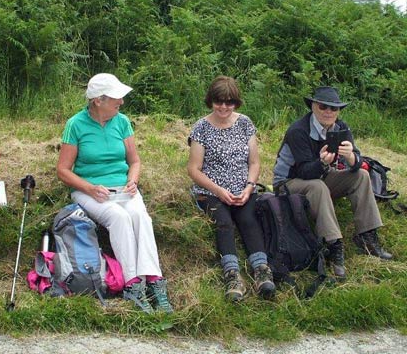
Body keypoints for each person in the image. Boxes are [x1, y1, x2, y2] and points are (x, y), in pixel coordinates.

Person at [56, 73, 173, 314]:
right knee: (119, 218)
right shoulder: (75, 124)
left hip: (123, 188)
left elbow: (135, 161)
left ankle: (154, 280)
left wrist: (133, 180)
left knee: (141, 217)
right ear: (98, 100)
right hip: (89, 191)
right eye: (116, 97)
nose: (121, 102)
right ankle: (133, 284)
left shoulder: (122, 122)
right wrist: (89, 188)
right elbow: (63, 170)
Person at [273, 86, 392, 281]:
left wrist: (352, 158)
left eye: (334, 108)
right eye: (323, 106)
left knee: (361, 175)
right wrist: (322, 163)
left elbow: (358, 161)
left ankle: (367, 236)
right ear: (313, 106)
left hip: (320, 177)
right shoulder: (298, 131)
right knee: (318, 186)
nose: (329, 112)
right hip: (288, 183)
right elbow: (303, 171)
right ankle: (333, 245)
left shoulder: (341, 128)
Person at [187, 76, 275, 302]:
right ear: (211, 101)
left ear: (236, 103)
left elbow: (254, 162)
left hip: (242, 189)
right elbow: (194, 169)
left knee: (248, 220)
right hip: (210, 191)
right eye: (219, 102)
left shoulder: (245, 123)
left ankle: (262, 271)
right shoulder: (201, 127)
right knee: (223, 222)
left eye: (229, 102)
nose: (224, 107)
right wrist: (218, 191)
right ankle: (232, 275)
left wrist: (249, 187)